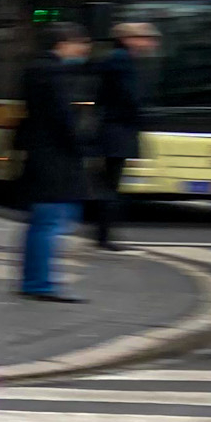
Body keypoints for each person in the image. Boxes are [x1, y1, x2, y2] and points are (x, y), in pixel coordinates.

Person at [18, 23, 95, 302]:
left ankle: (33, 280)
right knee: (51, 221)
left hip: (41, 154)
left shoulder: (34, 69)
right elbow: (64, 118)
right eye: (80, 43)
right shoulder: (56, 72)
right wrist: (81, 144)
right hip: (57, 158)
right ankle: (40, 283)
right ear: (63, 44)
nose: (83, 50)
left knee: (42, 221)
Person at [92, 22, 151, 250]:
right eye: (142, 37)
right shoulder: (121, 60)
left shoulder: (117, 58)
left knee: (110, 183)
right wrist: (142, 118)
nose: (147, 42)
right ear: (128, 39)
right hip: (118, 131)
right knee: (111, 185)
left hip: (112, 129)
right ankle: (104, 236)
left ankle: (103, 233)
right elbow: (130, 97)